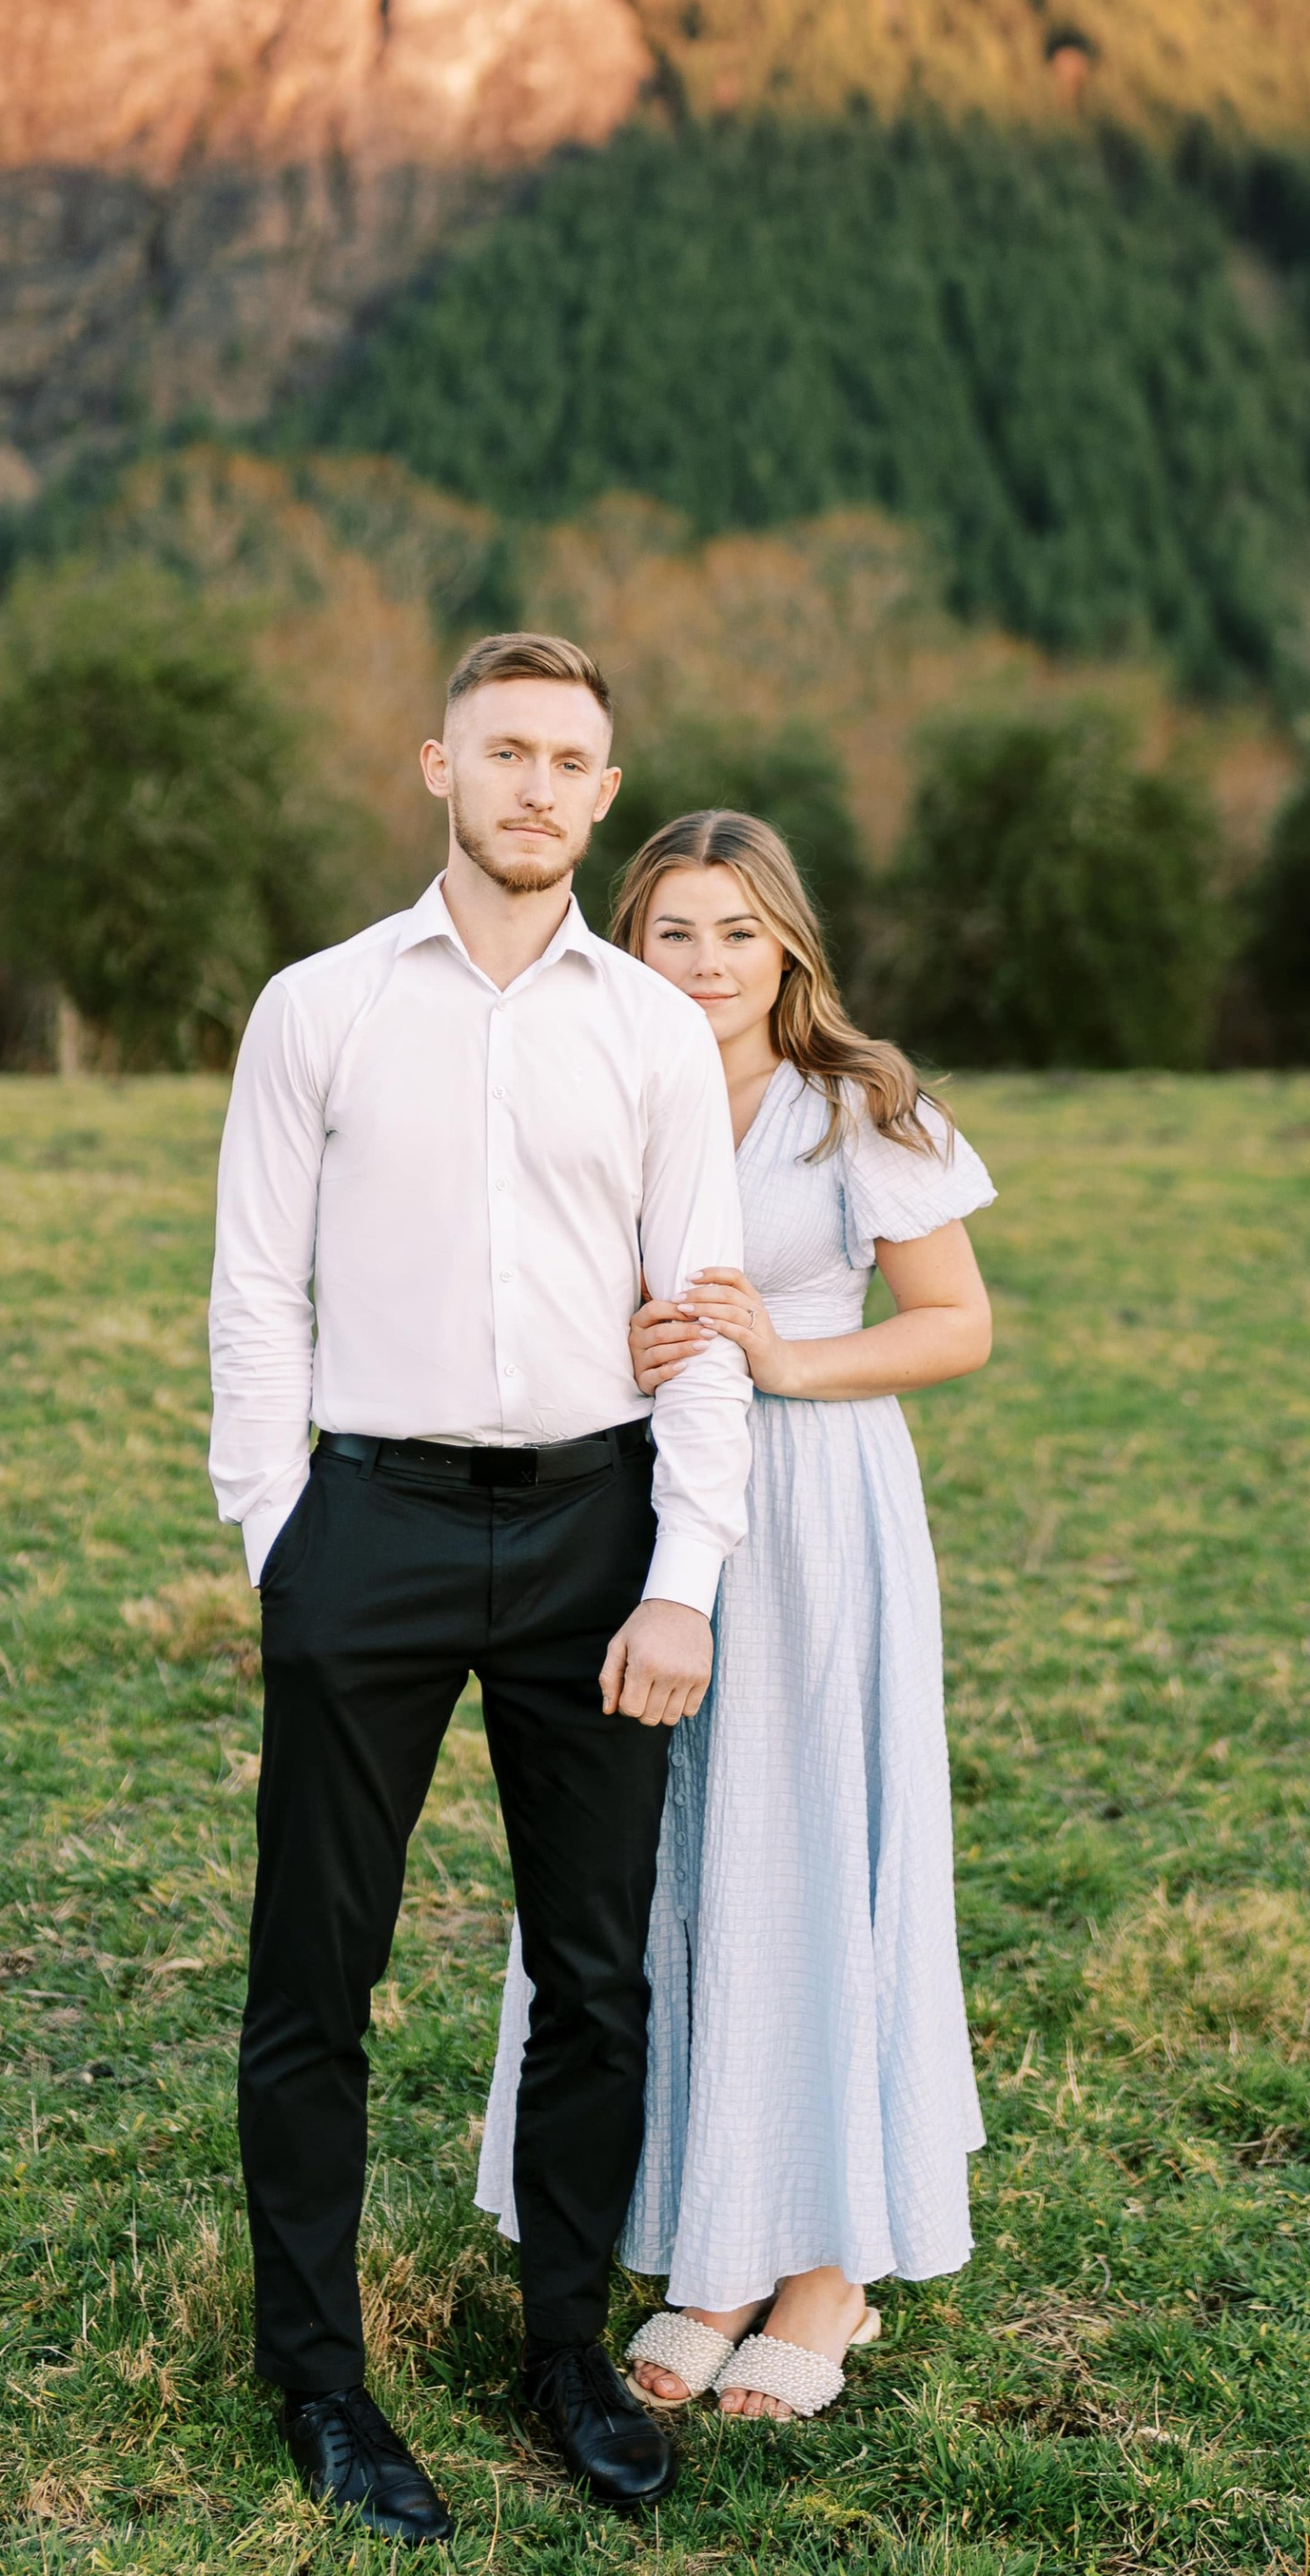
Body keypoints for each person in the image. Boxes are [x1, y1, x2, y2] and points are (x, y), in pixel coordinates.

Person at [207, 635, 753, 2540]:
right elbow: (254, 1292)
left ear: (605, 794)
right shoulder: (321, 1008)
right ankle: (320, 2380)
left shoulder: (651, 1032)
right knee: (315, 1975)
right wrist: (279, 1540)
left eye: (568, 760)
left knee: (596, 1974)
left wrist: (683, 1578)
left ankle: (564, 2351)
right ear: (438, 766)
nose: (535, 785)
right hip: (370, 1525)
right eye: (503, 750)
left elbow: (698, 1320)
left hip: (598, 1531)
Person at [478, 809, 995, 2425]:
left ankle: (829, 2265)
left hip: (817, 1517)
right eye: (674, 933)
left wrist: (784, 1358)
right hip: (638, 1515)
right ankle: (717, 2250)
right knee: (675, 1858)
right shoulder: (597, 1088)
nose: (706, 964)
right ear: (627, 945)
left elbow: (956, 1326)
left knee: (807, 1847)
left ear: (788, 947)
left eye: (737, 933)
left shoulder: (860, 1107)